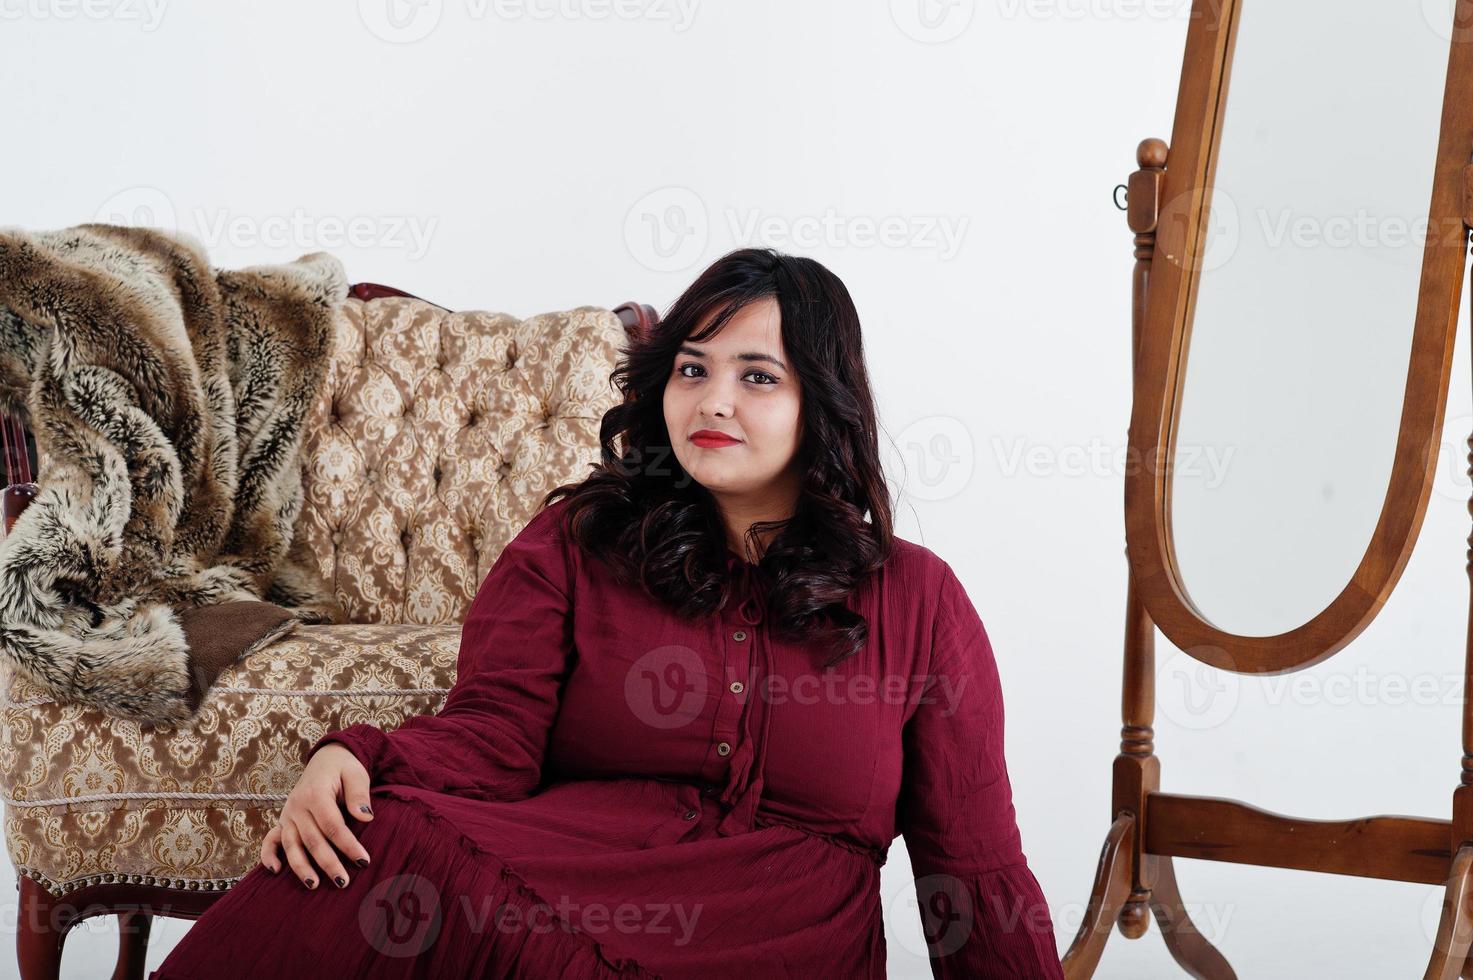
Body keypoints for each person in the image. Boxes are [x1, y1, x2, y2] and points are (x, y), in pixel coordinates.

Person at [151, 247, 1064, 979]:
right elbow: (490, 737)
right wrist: (356, 753)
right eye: (692, 369)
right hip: (570, 890)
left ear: (819, 404)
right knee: (381, 836)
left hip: (779, 934)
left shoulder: (917, 598)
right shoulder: (577, 543)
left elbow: (970, 872)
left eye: (756, 377)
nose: (711, 401)